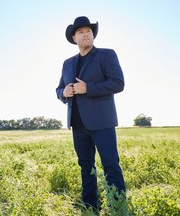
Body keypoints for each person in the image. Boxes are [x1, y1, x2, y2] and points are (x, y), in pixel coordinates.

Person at [56, 16, 126, 211]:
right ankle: (90, 207)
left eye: (88, 31)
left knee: (110, 164)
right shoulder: (67, 63)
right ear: (74, 38)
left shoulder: (106, 55)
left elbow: (118, 83)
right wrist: (64, 93)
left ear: (92, 35)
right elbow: (59, 88)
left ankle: (118, 206)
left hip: (102, 123)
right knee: (86, 167)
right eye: (81, 32)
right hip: (77, 124)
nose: (85, 34)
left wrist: (89, 88)